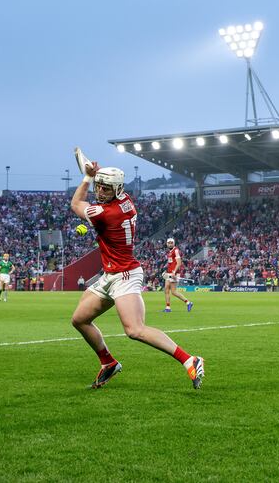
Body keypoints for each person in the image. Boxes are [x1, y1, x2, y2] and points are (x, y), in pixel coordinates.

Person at [69, 160, 204, 389]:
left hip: (125, 275)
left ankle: (189, 359)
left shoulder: (103, 213)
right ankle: (108, 363)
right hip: (110, 274)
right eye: (98, 186)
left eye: (105, 188)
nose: (100, 191)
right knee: (79, 320)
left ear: (117, 189)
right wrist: (97, 176)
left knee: (135, 330)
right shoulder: (126, 201)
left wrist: (87, 177)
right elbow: (105, 199)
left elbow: (76, 204)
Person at [163, 237, 194, 313]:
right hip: (170, 272)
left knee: (173, 292)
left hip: (174, 273)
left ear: (174, 243)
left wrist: (174, 272)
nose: (170, 244)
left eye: (171, 243)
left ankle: (188, 302)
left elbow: (179, 263)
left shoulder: (176, 250)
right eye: (169, 243)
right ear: (167, 244)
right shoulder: (169, 252)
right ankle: (168, 307)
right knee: (166, 289)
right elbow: (171, 263)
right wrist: (166, 271)